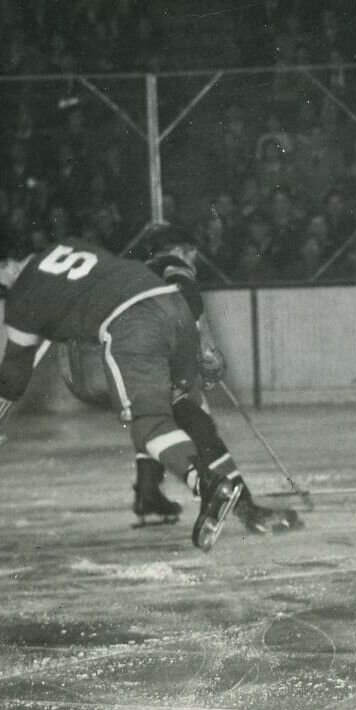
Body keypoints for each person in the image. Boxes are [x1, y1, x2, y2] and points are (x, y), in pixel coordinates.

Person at [0, 234, 246, 550]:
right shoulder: (69, 245)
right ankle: (238, 501)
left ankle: (209, 485)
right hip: (174, 305)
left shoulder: (22, 294)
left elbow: (13, 374)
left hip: (133, 323)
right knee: (184, 405)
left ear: (11, 264)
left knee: (149, 424)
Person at [130, 225, 301, 534]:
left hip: (129, 368)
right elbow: (188, 310)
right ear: (179, 249)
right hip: (162, 368)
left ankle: (148, 492)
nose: (195, 258)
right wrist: (210, 356)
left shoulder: (136, 274)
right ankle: (246, 508)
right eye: (192, 251)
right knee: (201, 428)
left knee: (156, 422)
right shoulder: (178, 270)